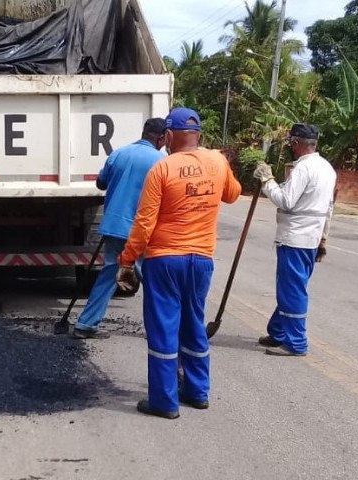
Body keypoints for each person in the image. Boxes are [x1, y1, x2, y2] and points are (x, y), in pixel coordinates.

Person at [116, 107, 241, 419]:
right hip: (201, 260)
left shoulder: (162, 168)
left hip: (165, 260)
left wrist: (127, 259)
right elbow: (233, 195)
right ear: (198, 134)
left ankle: (164, 401)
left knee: (163, 329)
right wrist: (224, 168)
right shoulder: (217, 161)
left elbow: (144, 222)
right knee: (193, 324)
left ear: (168, 136)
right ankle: (198, 392)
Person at [72, 118, 167, 339]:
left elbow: (101, 183)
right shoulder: (161, 162)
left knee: (108, 276)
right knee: (152, 281)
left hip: (114, 226)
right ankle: (162, 331)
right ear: (161, 138)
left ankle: (85, 324)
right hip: (141, 230)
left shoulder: (119, 154)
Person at [253, 123, 336, 357]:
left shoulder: (303, 169)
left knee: (291, 292)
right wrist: (323, 239)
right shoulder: (326, 168)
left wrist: (267, 181)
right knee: (292, 288)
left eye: (291, 142)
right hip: (310, 238)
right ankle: (279, 332)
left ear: (297, 143)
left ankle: (296, 342)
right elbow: (328, 207)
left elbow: (287, 201)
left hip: (295, 239)